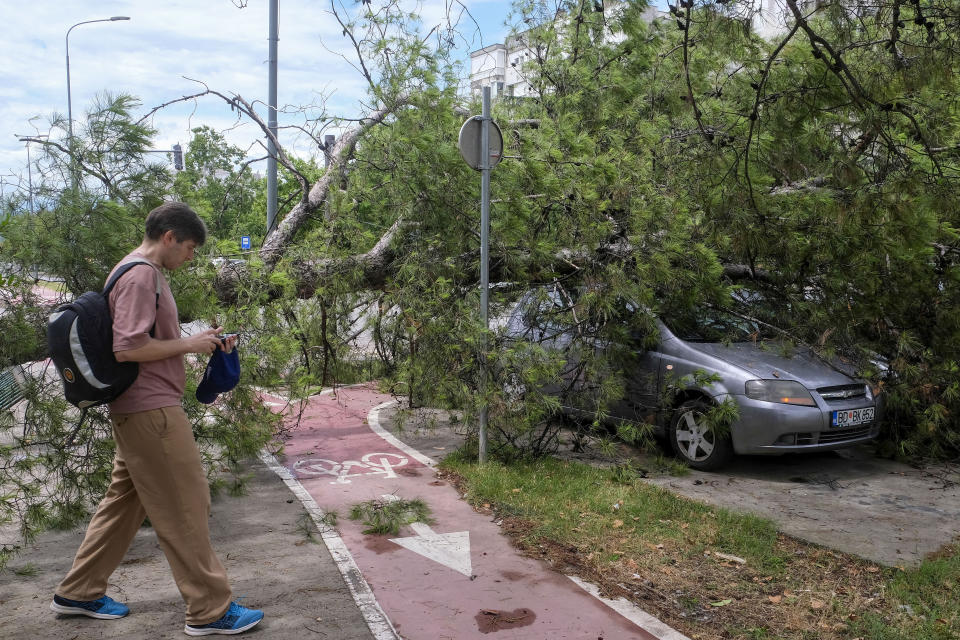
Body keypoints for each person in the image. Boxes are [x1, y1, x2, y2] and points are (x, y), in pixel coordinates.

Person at [49, 202, 264, 636]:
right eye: (189, 248)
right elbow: (128, 348)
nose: (191, 257)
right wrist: (189, 347)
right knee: (186, 505)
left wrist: (194, 340)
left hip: (139, 411)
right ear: (169, 237)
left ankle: (79, 591)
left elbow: (141, 340)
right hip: (151, 411)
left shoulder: (130, 269)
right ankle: (209, 610)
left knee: (123, 506)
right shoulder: (143, 274)